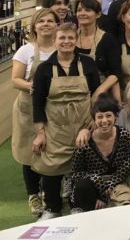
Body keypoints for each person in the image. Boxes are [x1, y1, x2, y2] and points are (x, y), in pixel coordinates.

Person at [31, 23, 100, 220]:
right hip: (55, 129)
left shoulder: (88, 64)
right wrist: (40, 133)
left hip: (83, 126)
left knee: (83, 168)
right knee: (51, 168)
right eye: (62, 38)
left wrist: (92, 123)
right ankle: (52, 207)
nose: (66, 41)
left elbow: (97, 94)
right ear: (54, 41)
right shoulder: (44, 69)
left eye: (70, 38)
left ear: (76, 40)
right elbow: (37, 103)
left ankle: (78, 205)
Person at [11, 8, 58, 218]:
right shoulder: (25, 50)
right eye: (41, 21)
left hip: (55, 108)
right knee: (29, 152)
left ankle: (50, 193)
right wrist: (32, 86)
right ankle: (33, 195)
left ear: (57, 25)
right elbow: (15, 79)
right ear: (34, 26)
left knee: (53, 150)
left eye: (50, 21)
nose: (46, 24)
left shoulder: (62, 47)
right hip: (28, 109)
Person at [65, 95, 130, 213]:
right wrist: (100, 184)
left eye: (108, 115)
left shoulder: (124, 135)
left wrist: (109, 186)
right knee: (83, 186)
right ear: (94, 119)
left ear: (116, 116)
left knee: (127, 201)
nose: (104, 121)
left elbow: (125, 165)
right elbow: (76, 173)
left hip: (115, 183)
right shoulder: (85, 141)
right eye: (100, 117)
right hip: (90, 186)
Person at [75, 0, 121, 100]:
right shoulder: (70, 38)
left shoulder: (108, 39)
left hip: (100, 97)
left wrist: (98, 91)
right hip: (75, 93)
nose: (82, 13)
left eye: (87, 10)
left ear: (98, 14)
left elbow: (115, 73)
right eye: (79, 10)